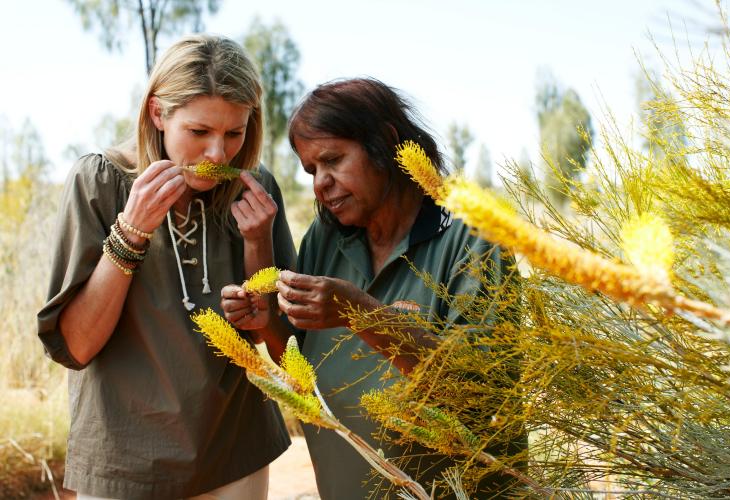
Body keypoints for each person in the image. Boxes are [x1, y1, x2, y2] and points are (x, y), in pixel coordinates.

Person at [221, 77, 525, 499]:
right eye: (311, 170)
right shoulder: (325, 240)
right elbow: (299, 358)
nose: (319, 184)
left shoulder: (473, 238)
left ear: (385, 142)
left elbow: (477, 394)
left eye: (333, 160)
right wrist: (269, 324)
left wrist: (361, 313)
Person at [37, 34, 296, 499]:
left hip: (236, 452)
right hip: (125, 463)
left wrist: (258, 243)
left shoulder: (257, 190)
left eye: (234, 133)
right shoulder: (99, 182)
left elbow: (283, 349)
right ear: (158, 113)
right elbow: (76, 346)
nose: (218, 154)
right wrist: (132, 231)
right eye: (199, 132)